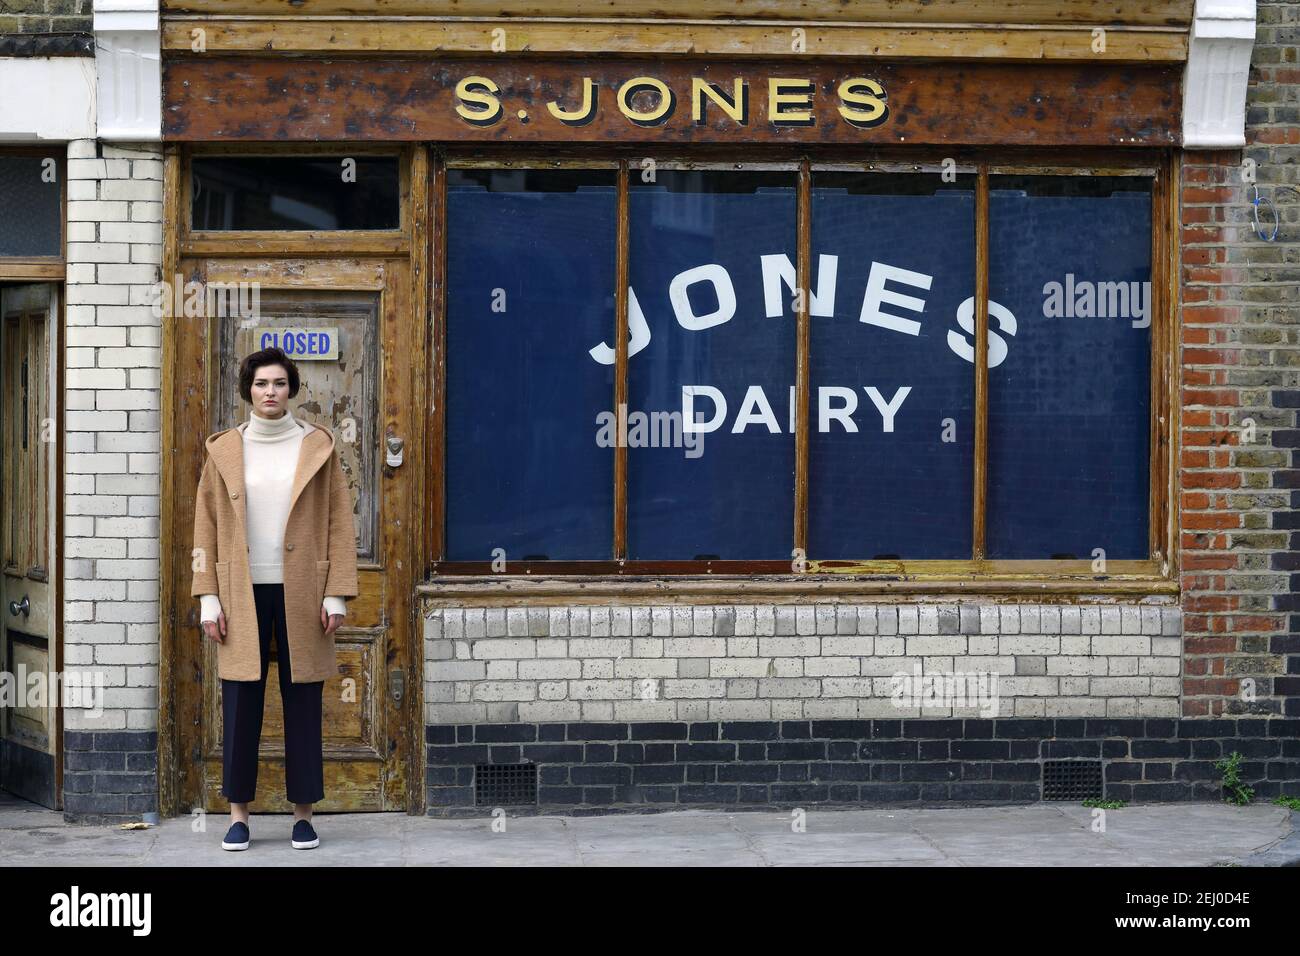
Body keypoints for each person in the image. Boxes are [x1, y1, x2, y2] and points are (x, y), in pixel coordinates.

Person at [190, 347, 358, 851]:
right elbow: (205, 526)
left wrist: (337, 594)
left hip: (303, 590)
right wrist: (207, 597)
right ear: (248, 390)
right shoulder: (223, 449)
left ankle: (303, 814)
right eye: (262, 383)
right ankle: (238, 814)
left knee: (303, 698)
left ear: (292, 389)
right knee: (241, 702)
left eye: (280, 383)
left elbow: (339, 523)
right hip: (240, 592)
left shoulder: (318, 447)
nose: (270, 392)